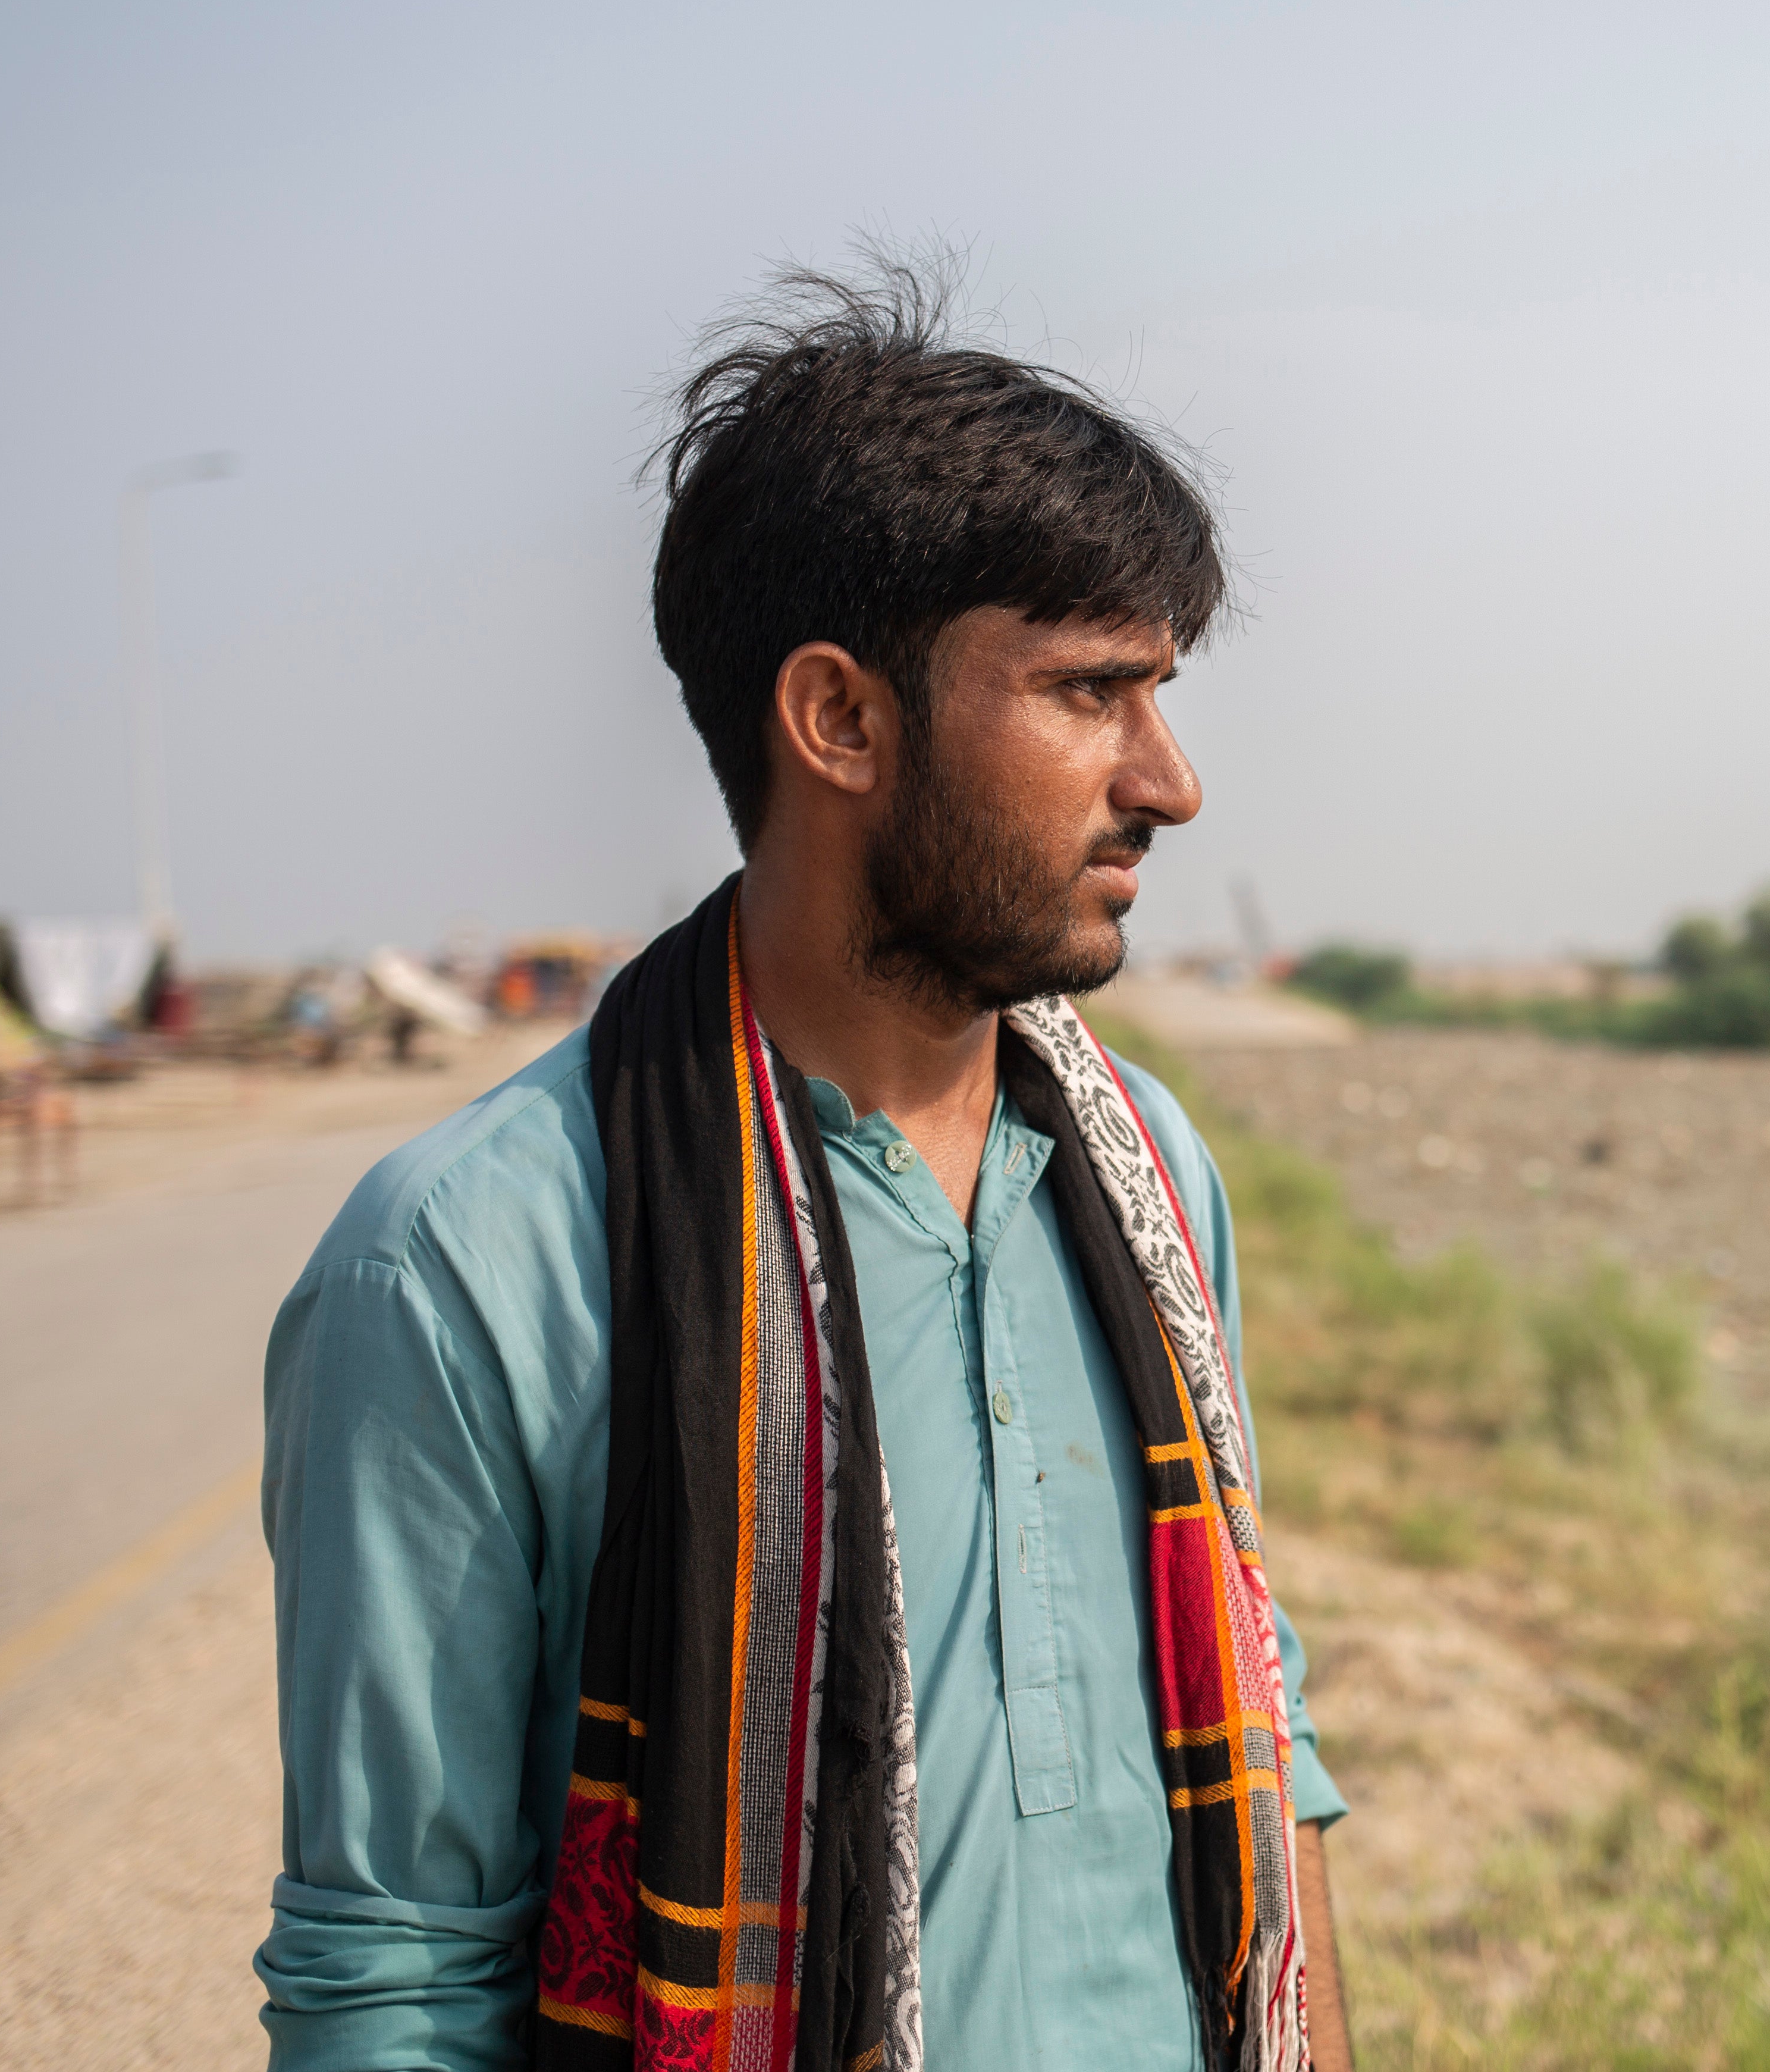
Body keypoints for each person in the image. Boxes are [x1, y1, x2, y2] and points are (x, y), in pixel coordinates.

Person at [259, 265, 1353, 2072]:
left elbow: (1262, 1721)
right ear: (839, 720)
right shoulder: (471, 1264)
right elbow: (393, 1978)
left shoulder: (1153, 1176)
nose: (1169, 780)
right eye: (1092, 692)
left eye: (1159, 693)